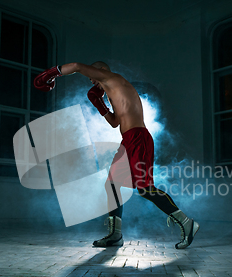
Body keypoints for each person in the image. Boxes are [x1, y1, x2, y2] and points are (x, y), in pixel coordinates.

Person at [33, 62, 199, 249]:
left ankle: (186, 222)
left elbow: (77, 66)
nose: (92, 81)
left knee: (144, 188)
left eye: (92, 77)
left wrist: (49, 74)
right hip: (128, 139)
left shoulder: (111, 78)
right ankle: (115, 235)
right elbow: (114, 122)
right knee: (112, 186)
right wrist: (99, 104)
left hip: (138, 138)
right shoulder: (114, 88)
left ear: (101, 71)